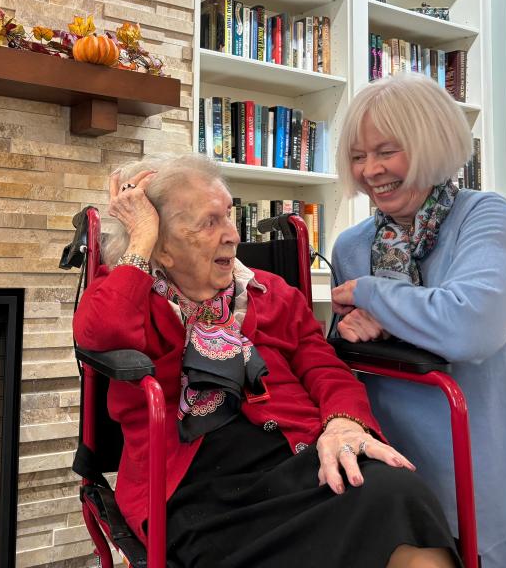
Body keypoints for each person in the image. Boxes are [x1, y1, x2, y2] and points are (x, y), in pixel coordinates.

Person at [74, 153, 461, 568]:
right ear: (162, 248)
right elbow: (101, 334)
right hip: (198, 492)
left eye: (229, 216)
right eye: (210, 222)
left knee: (397, 493)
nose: (233, 235)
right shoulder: (139, 299)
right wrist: (141, 239)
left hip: (299, 459)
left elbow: (323, 365)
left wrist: (344, 420)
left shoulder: (268, 292)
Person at [330, 73, 506, 568]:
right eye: (357, 155)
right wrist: (347, 330)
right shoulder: (351, 248)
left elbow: (470, 327)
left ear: (430, 144)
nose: (371, 170)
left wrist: (374, 295)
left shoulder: (486, 217)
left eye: (386, 150)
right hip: (430, 503)